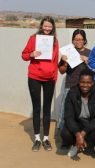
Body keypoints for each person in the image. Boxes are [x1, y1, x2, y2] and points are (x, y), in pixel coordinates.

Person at [21, 16, 59, 152]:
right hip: (35, 77)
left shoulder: (55, 41)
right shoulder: (33, 38)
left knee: (47, 109)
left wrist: (54, 77)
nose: (47, 28)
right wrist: (32, 54)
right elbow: (24, 55)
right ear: (41, 26)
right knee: (37, 108)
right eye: (45, 26)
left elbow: (55, 61)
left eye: (50, 26)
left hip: (50, 78)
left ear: (53, 27)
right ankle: (37, 138)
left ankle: (46, 139)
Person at [60, 69, 95, 159]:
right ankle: (75, 144)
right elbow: (68, 116)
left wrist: (82, 134)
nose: (85, 85)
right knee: (65, 133)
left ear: (93, 83)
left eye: (88, 82)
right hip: (79, 123)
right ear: (78, 82)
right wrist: (78, 134)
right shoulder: (72, 93)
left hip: (93, 124)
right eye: (82, 82)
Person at [57, 29, 91, 130]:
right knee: (66, 111)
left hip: (85, 88)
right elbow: (62, 71)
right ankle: (63, 135)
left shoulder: (90, 52)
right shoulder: (68, 53)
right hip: (71, 86)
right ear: (73, 41)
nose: (78, 42)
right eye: (76, 40)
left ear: (85, 40)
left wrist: (88, 61)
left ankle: (81, 135)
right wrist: (64, 62)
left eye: (81, 39)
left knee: (83, 113)